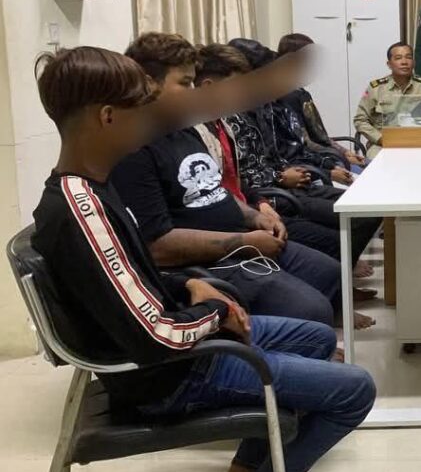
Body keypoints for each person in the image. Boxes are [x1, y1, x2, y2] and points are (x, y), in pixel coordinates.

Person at [32, 45, 376, 472]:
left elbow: (136, 277)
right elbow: (155, 334)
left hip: (179, 341)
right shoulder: (80, 209)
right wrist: (214, 313)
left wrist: (191, 286)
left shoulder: (94, 185)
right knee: (355, 390)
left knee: (316, 337)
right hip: (169, 374)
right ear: (108, 117)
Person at [110, 33, 352, 330]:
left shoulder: (185, 129)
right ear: (149, 83)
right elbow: (158, 246)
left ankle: (310, 341)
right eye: (185, 83)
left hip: (242, 235)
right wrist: (245, 241)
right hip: (211, 261)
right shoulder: (133, 150)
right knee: (312, 309)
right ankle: (297, 341)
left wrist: (254, 215)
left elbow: (218, 188)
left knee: (330, 273)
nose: (194, 91)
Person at [194, 44, 381, 298]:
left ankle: (340, 285)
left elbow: (288, 149)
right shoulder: (230, 117)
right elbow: (242, 175)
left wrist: (315, 167)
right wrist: (283, 178)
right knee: (343, 230)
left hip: (280, 186)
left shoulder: (271, 104)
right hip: (272, 196)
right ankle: (339, 291)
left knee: (366, 208)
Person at [229, 38, 356, 187]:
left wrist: (332, 162)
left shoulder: (274, 102)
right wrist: (328, 169)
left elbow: (297, 146)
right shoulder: (237, 116)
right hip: (287, 182)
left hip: (304, 169)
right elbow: (252, 173)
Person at [277, 33, 367, 169]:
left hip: (327, 156)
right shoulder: (287, 95)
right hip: (313, 162)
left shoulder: (301, 92)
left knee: (371, 165)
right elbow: (305, 142)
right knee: (367, 174)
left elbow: (320, 136)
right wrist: (339, 157)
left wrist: (345, 152)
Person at [354, 41, 421, 158]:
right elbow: (360, 120)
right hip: (383, 143)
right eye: (398, 58)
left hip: (416, 141)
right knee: (377, 161)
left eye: (408, 57)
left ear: (413, 62)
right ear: (389, 64)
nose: (404, 62)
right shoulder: (376, 88)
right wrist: (380, 138)